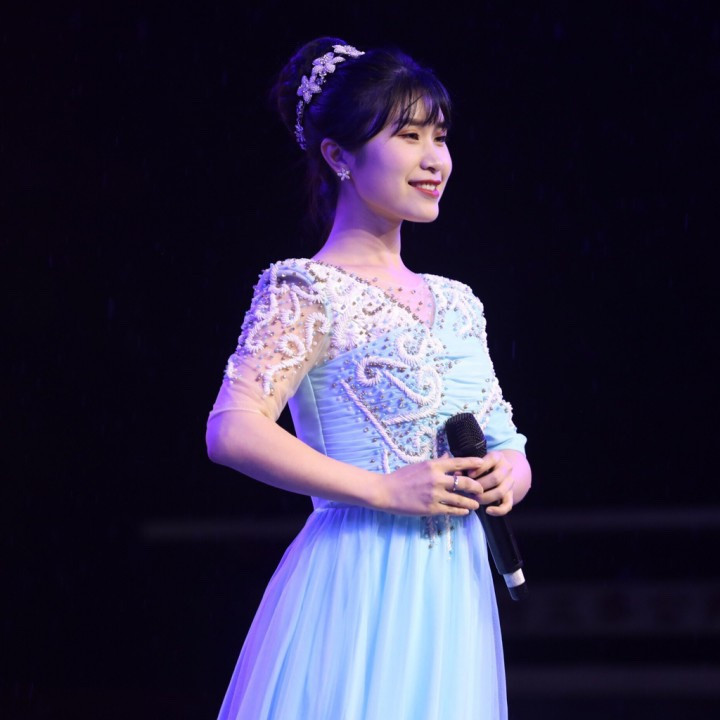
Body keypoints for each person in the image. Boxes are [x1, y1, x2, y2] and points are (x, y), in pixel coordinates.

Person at [206, 36, 531, 720]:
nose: (434, 158)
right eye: (408, 136)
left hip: (454, 589)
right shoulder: (306, 288)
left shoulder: (458, 301)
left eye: (439, 136)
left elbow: (507, 441)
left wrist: (508, 473)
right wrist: (382, 488)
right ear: (338, 156)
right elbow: (232, 429)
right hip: (359, 575)